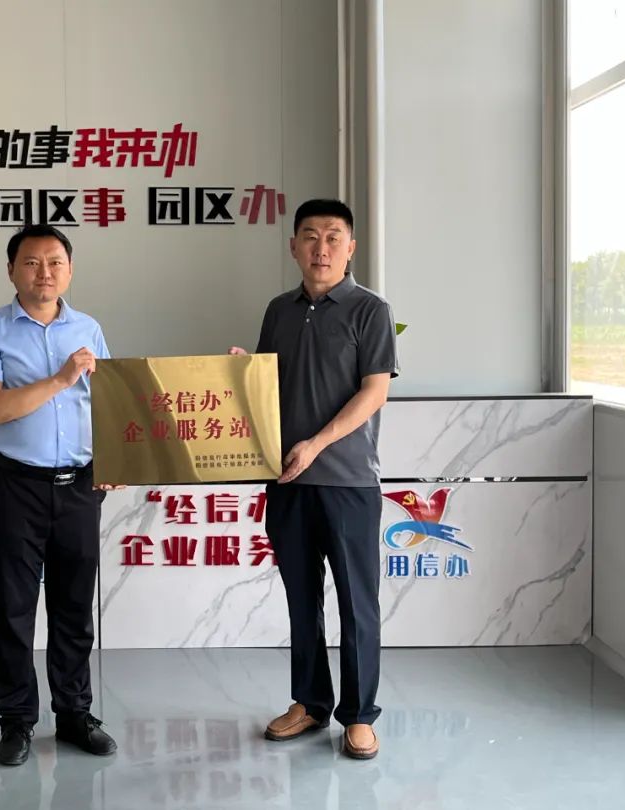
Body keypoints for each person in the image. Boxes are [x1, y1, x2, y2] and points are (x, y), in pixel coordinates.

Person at [231, 198, 398, 759]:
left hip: (348, 483)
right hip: (286, 482)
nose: (320, 248)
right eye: (309, 236)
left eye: (332, 237)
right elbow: (266, 388)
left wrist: (317, 444)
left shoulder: (370, 310)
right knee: (302, 601)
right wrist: (239, 372)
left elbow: (374, 392)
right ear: (294, 247)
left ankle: (360, 715)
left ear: (350, 248)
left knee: (357, 605)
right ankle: (309, 702)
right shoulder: (278, 310)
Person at [0, 223, 119, 766]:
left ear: (69, 270)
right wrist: (59, 379)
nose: (44, 272)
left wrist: (115, 459)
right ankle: (16, 722)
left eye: (55, 262)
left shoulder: (89, 328)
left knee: (74, 608)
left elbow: (108, 403)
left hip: (79, 486)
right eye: (31, 262)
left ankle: (75, 714)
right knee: (14, 609)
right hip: (16, 487)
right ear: (11, 270)